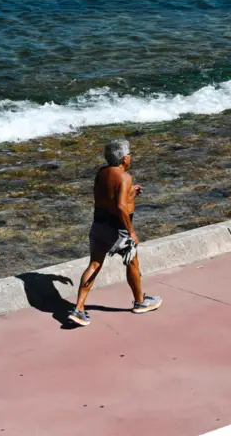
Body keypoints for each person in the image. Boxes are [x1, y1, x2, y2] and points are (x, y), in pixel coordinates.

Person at [68, 139, 161, 326]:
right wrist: (131, 232)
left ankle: (78, 309)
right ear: (125, 158)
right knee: (132, 263)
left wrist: (131, 192)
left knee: (94, 265)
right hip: (117, 229)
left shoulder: (101, 173)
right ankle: (140, 302)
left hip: (98, 226)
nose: (131, 157)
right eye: (130, 154)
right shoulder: (125, 177)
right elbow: (119, 206)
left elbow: (109, 197)